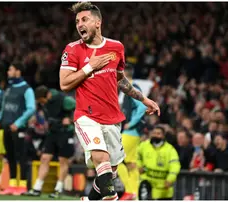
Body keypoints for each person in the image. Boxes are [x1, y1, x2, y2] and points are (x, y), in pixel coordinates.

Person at [59, 2, 160, 200]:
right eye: (77, 21)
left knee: (110, 172)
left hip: (112, 118)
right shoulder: (73, 50)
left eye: (85, 19)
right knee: (102, 161)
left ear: (98, 22)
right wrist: (90, 67)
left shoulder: (116, 47)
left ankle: (89, 199)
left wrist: (143, 99)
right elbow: (64, 84)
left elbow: (120, 80)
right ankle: (111, 198)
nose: (80, 24)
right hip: (87, 116)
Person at [22, 85, 76, 198]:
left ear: (47, 95)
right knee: (44, 158)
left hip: (65, 132)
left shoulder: (64, 100)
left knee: (63, 160)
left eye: (41, 100)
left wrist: (71, 120)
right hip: (52, 132)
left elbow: (81, 109)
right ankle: (37, 188)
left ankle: (58, 189)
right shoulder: (44, 102)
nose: (41, 103)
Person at [0, 62, 36, 195]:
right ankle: (12, 184)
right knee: (10, 156)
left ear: (18, 72)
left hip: (18, 128)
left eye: (10, 69)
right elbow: (4, 106)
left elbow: (31, 108)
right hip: (6, 126)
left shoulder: (27, 89)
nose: (8, 72)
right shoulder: (9, 87)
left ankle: (22, 185)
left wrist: (18, 123)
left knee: (21, 156)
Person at [117, 64, 147, 200]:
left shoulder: (132, 87)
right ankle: (134, 195)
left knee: (114, 159)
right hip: (133, 132)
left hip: (130, 131)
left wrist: (131, 123)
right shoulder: (128, 87)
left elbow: (141, 107)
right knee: (131, 163)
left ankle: (129, 191)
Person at [137, 126, 181, 200]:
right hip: (146, 183)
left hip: (163, 189)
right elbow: (136, 156)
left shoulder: (170, 149)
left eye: (158, 133)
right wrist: (139, 166)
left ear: (163, 136)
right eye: (154, 133)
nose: (155, 135)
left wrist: (170, 179)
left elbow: (175, 165)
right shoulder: (144, 145)